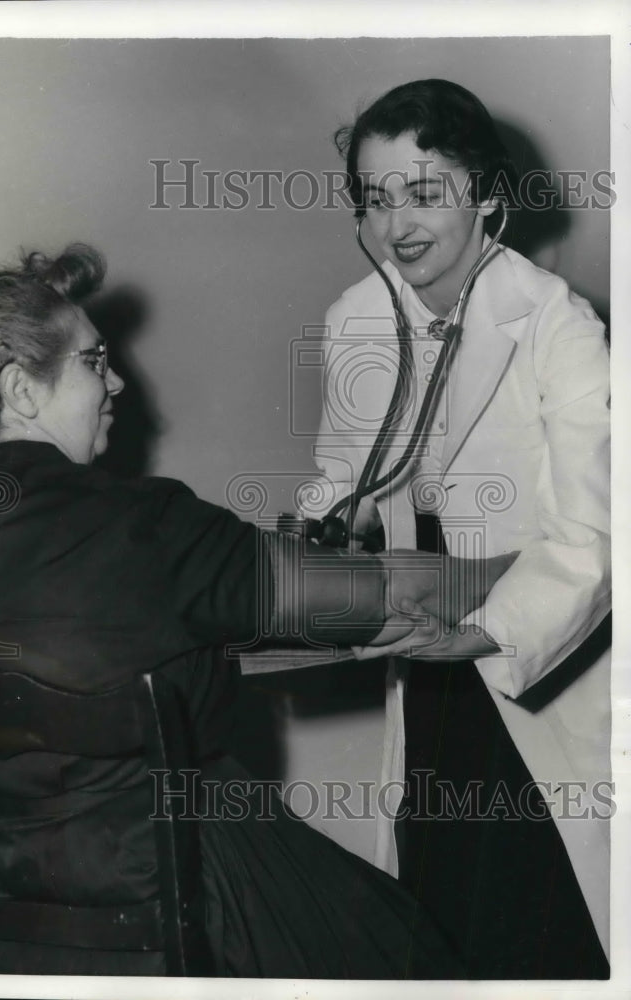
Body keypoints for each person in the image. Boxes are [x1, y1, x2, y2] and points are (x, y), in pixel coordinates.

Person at [0, 243, 516, 978]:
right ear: (21, 391)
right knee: (418, 952)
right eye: (93, 362)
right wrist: (540, 568)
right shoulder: (145, 525)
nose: (118, 379)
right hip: (169, 907)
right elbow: (396, 594)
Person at [303, 79, 610, 978]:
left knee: (534, 904)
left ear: (487, 197)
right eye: (375, 197)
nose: (398, 223)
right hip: (428, 648)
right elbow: (345, 476)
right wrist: (314, 536)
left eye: (426, 193)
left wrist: (484, 631)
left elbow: (597, 532)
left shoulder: (558, 323)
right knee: (439, 895)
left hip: (534, 648)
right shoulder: (354, 319)